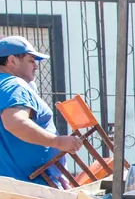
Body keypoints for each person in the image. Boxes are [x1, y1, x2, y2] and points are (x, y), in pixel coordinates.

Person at [0, 36, 82, 183]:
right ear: (12, 61)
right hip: (29, 188)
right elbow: (14, 122)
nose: (36, 66)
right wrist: (57, 142)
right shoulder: (14, 85)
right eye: (31, 60)